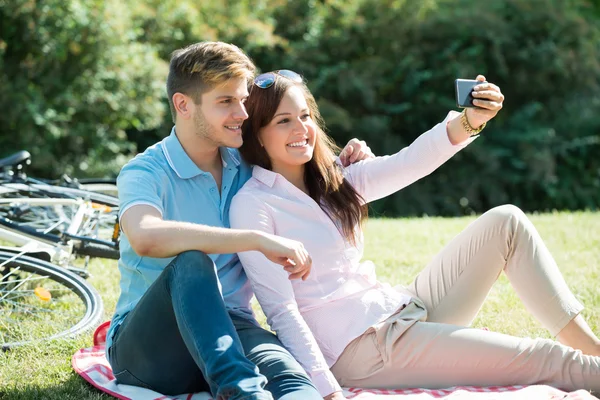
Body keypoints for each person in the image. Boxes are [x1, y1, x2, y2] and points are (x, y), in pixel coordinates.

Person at [229, 69, 600, 400]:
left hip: (402, 310)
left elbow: (411, 161)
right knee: (543, 359)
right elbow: (281, 311)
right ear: (258, 135)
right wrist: (327, 391)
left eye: (306, 116)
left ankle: (593, 350)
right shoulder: (254, 205)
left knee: (506, 222)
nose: (301, 129)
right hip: (360, 351)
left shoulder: (336, 180)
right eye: (283, 121)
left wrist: (470, 120)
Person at [105, 42, 374, 400]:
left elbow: (299, 169)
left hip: (233, 328)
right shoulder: (145, 171)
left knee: (292, 379)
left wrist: (344, 161)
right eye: (226, 101)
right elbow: (145, 236)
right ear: (183, 105)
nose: (243, 113)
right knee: (192, 262)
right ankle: (246, 394)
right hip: (151, 350)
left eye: (243, 100)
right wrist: (255, 239)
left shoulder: (247, 166)